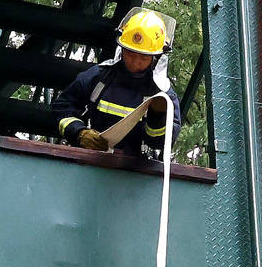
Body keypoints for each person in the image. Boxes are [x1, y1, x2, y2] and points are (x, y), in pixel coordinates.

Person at [51, 9, 173, 158]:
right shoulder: (98, 76)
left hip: (133, 167)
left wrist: (158, 116)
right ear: (121, 49)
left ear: (156, 57)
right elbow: (62, 108)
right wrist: (80, 133)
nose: (135, 63)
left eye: (143, 57)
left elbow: (161, 143)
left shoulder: (162, 92)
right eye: (130, 54)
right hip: (91, 159)